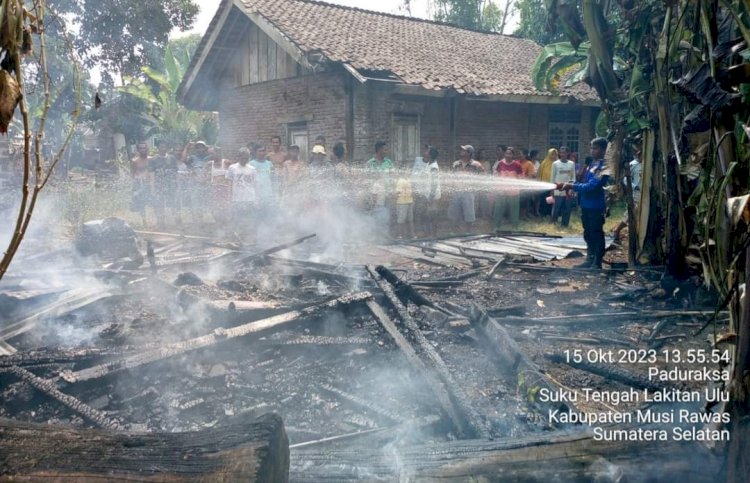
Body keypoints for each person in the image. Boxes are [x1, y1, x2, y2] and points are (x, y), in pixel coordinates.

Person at [559, 137, 611, 269]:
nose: (592, 151)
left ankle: (597, 262)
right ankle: (590, 258)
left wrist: (572, 186)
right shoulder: (592, 165)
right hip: (585, 205)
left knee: (596, 232)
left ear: (604, 150)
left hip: (595, 206)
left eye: (595, 148)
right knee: (587, 233)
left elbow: (592, 186)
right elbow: (584, 183)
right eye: (591, 148)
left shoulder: (603, 166)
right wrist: (573, 184)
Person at [448, 145, 484, 233]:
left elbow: (483, 177)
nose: (461, 151)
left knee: (469, 213)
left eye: (464, 150)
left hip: (469, 192)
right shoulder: (456, 164)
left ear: (469, 153)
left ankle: (468, 232)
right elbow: (451, 177)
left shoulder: (476, 165)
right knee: (454, 213)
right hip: (456, 191)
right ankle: (454, 232)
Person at [225, 147, 257, 238]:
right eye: (243, 158)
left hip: (250, 198)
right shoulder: (232, 168)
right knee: (236, 217)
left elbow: (254, 185)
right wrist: (229, 198)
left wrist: (256, 198)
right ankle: (234, 236)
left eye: (246, 158)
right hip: (237, 198)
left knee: (248, 218)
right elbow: (229, 184)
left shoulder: (252, 169)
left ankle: (247, 236)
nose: (244, 160)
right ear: (238, 157)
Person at [612, 152, 642, 243]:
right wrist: (634, 186)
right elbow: (625, 179)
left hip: (646, 193)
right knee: (630, 215)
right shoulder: (633, 164)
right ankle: (617, 230)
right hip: (637, 193)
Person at [365, 140, 394, 232]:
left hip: (387, 195)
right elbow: (366, 180)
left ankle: (384, 236)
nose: (387, 151)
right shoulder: (370, 163)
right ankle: (375, 236)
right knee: (375, 215)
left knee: (386, 216)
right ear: (379, 150)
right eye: (385, 150)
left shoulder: (389, 163)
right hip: (375, 195)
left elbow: (393, 177)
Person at [412, 144, 441, 235]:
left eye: (426, 151)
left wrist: (430, 199)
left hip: (431, 197)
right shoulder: (428, 164)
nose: (424, 152)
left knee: (431, 217)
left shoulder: (433, 167)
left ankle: (433, 236)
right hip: (426, 195)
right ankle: (428, 235)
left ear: (430, 155)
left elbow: (434, 184)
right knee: (426, 216)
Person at [148, 140, 178, 228]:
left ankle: (175, 222)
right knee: (159, 204)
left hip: (171, 185)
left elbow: (176, 173)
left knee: (172, 203)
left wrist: (177, 185)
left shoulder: (172, 158)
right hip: (159, 186)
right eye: (161, 147)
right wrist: (152, 188)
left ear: (167, 148)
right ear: (158, 148)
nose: (163, 149)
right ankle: (160, 222)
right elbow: (152, 175)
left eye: (165, 147)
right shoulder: (153, 160)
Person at [493, 146, 522, 228]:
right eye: (506, 153)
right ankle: (496, 225)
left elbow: (521, 177)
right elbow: (497, 175)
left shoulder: (517, 165)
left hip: (514, 191)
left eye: (509, 154)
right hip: (501, 190)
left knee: (514, 210)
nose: (507, 155)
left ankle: (515, 226)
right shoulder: (500, 163)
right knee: (498, 209)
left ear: (513, 155)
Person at [550, 149, 577, 227]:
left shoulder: (571, 164)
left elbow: (573, 177)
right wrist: (552, 188)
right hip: (558, 189)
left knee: (567, 208)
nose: (563, 154)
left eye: (564, 152)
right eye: (561, 153)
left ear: (567, 153)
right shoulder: (555, 164)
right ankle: (553, 223)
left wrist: (572, 188)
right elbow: (552, 176)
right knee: (556, 207)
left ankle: (565, 224)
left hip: (568, 189)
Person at [249, 144, 275, 216]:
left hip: (268, 194)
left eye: (263, 151)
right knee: (257, 216)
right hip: (256, 195)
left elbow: (273, 179)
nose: (262, 153)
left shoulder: (269, 164)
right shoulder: (251, 164)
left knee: (268, 216)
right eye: (260, 151)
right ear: (255, 152)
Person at [130, 141, 151, 226]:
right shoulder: (135, 161)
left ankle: (159, 219)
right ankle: (144, 220)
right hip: (139, 183)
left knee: (152, 201)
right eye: (141, 148)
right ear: (138, 150)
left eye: (144, 148)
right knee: (141, 203)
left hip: (150, 183)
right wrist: (137, 179)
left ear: (147, 149)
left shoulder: (151, 159)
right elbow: (132, 173)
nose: (143, 150)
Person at [394, 161, 415, 239]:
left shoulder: (409, 180)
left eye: (409, 169)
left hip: (409, 202)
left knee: (410, 219)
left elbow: (411, 191)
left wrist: (412, 200)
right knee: (401, 220)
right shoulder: (400, 181)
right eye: (407, 169)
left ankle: (412, 234)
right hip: (402, 203)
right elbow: (397, 192)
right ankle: (400, 235)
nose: (409, 171)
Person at [537, 148, 558, 217]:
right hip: (544, 185)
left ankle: (551, 213)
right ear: (549, 155)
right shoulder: (544, 163)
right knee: (544, 199)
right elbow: (539, 173)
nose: (553, 156)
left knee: (553, 199)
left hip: (555, 185)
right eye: (552, 154)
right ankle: (543, 213)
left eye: (555, 155)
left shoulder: (558, 163)